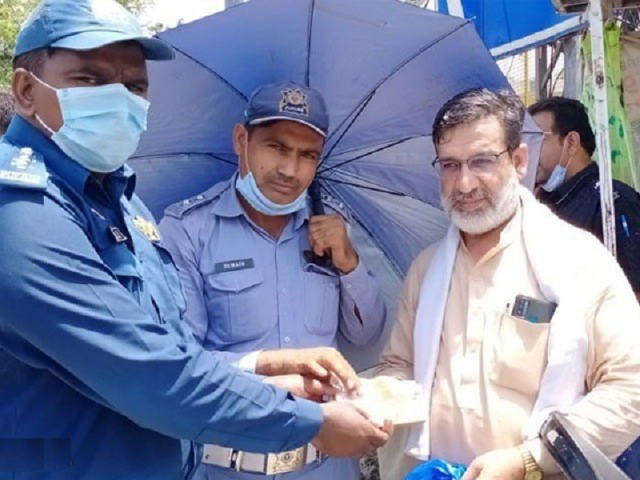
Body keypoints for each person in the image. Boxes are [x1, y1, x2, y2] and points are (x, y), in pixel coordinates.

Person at [0, 1, 391, 479]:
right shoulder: (20, 212)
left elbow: (176, 350)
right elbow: (149, 374)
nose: (118, 101)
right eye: (90, 79)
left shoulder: (125, 207)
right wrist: (309, 422)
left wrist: (273, 370)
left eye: (135, 87)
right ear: (26, 90)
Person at [375, 88, 640, 480]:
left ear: (519, 160)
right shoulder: (426, 270)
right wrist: (369, 402)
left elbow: (630, 387)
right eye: (450, 165)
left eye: (481, 161)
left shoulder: (579, 260)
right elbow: (400, 366)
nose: (464, 184)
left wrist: (529, 459)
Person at [159, 81, 387, 479]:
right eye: (276, 147)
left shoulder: (331, 221)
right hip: (231, 466)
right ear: (241, 140)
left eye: (307, 155)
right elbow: (181, 362)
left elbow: (367, 335)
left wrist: (348, 261)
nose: (289, 170)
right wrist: (273, 368)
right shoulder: (188, 230)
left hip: (328, 466)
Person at [529, 97, 640, 299]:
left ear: (571, 142)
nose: (528, 152)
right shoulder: (543, 202)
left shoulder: (613, 202)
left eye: (536, 140)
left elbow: (635, 293)